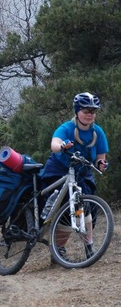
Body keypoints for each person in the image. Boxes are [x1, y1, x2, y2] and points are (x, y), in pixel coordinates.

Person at [41, 92, 109, 259]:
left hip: (83, 173)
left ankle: (89, 247)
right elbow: (54, 144)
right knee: (64, 207)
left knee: (87, 208)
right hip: (59, 171)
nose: (90, 115)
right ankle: (58, 249)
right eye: (86, 111)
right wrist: (62, 146)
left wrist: (101, 164)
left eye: (93, 111)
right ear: (77, 111)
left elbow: (101, 157)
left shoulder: (97, 133)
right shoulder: (67, 128)